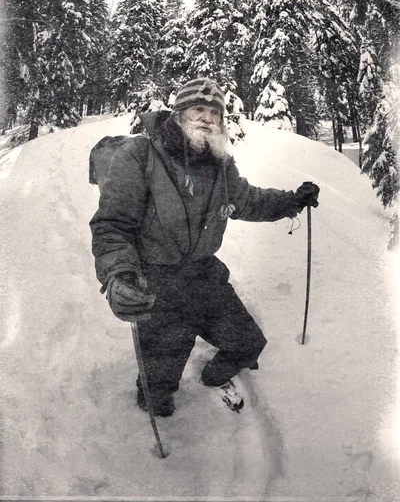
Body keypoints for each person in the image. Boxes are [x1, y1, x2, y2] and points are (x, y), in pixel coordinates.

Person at [90, 77, 320, 417]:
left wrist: (292, 202)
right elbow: (112, 225)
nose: (207, 118)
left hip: (203, 276)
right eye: (199, 108)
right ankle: (155, 392)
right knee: (158, 389)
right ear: (180, 112)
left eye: (215, 112)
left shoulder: (219, 163)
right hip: (157, 281)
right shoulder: (139, 154)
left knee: (247, 344)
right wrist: (120, 274)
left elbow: (248, 200)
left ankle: (212, 377)